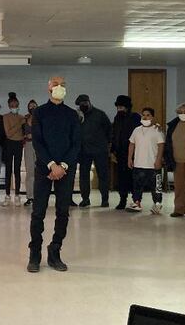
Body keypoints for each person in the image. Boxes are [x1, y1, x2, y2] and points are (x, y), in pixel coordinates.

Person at [27, 76, 81, 273]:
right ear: (48, 88)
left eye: (63, 85)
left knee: (63, 212)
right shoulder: (39, 112)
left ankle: (55, 250)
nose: (59, 87)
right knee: (38, 212)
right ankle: (34, 253)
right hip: (44, 168)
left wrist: (63, 166)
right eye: (55, 84)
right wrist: (51, 165)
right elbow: (38, 142)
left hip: (66, 169)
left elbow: (76, 143)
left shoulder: (72, 114)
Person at [75, 94, 112, 207]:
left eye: (84, 104)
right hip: (84, 151)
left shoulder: (100, 114)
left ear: (89, 102)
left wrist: (108, 146)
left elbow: (109, 130)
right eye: (80, 105)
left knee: (103, 175)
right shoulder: (78, 116)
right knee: (84, 176)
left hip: (100, 150)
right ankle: (85, 199)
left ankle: (104, 199)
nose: (82, 106)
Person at [126, 108, 165, 213]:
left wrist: (158, 160)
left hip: (153, 165)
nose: (145, 117)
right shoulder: (136, 130)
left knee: (156, 187)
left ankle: (157, 204)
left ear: (152, 117)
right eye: (143, 115)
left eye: (148, 115)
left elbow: (161, 146)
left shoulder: (157, 130)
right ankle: (137, 202)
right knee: (137, 185)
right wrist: (130, 158)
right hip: (139, 164)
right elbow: (131, 144)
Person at [112, 95, 141, 210]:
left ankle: (136, 201)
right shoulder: (117, 118)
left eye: (122, 107)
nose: (119, 109)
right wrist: (113, 151)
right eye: (118, 107)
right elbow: (114, 135)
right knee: (121, 178)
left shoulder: (135, 118)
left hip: (134, 153)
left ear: (128, 107)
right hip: (120, 153)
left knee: (134, 178)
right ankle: (122, 200)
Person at [2, 92, 26, 205]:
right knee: (8, 170)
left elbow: (24, 133)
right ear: (9, 106)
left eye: (16, 105)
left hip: (18, 144)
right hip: (9, 144)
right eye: (12, 105)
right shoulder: (5, 117)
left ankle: (17, 195)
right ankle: (7, 195)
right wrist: (19, 124)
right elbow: (8, 133)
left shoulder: (22, 117)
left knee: (17, 170)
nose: (14, 107)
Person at [23, 100, 39, 206]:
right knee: (30, 172)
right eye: (30, 106)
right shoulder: (24, 119)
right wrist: (25, 136)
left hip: (39, 146)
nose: (32, 107)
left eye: (34, 106)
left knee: (39, 171)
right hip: (28, 146)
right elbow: (20, 132)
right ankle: (30, 197)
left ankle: (39, 196)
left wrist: (34, 135)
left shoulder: (41, 118)